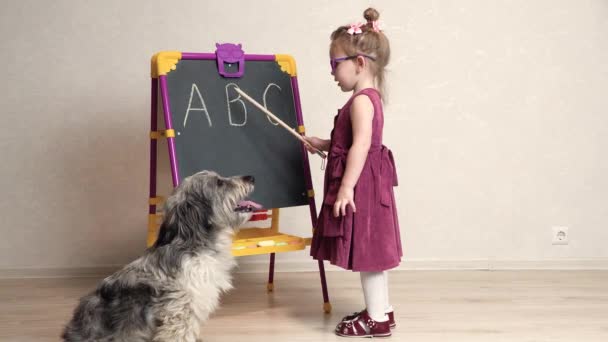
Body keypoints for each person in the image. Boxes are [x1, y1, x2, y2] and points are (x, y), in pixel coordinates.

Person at [304, 7, 402, 338]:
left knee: (368, 251)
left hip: (362, 186)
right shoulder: (367, 99)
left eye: (335, 65)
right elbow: (351, 141)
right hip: (370, 183)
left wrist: (346, 189)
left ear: (359, 64)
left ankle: (376, 320)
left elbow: (360, 147)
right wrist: (324, 142)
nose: (332, 73)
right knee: (372, 249)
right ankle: (382, 311)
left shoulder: (361, 101)